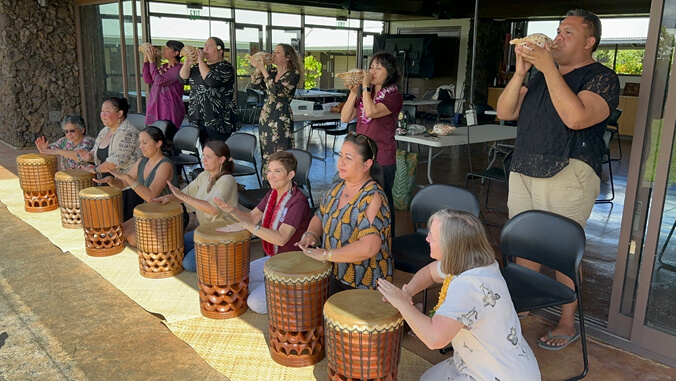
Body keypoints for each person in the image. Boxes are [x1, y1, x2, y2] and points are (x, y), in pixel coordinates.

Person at [496, 9, 620, 350]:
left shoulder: (602, 78)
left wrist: (548, 67)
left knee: (561, 251)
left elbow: (576, 118)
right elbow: (506, 112)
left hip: (570, 172)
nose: (558, 36)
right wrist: (521, 72)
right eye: (557, 30)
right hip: (524, 169)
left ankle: (567, 320)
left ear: (589, 42)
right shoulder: (538, 76)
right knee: (524, 247)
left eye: (568, 32)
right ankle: (522, 306)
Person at [377, 209, 540, 381]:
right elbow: (430, 272)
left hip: (497, 373)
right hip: (482, 362)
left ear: (450, 244)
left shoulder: (468, 286)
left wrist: (402, 303)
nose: (427, 238)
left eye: (432, 235)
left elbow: (434, 339)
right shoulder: (474, 261)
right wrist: (408, 291)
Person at [214, 151, 311, 314]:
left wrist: (248, 227)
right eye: (269, 170)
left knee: (255, 303)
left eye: (277, 171)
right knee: (237, 281)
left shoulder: (297, 202)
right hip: (273, 258)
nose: (271, 176)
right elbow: (251, 218)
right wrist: (231, 210)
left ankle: (297, 291)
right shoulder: (273, 193)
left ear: (291, 174)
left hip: (292, 264)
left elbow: (281, 239)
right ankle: (275, 287)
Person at [296, 132, 392, 295]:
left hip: (364, 283)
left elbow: (369, 247)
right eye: (340, 156)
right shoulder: (336, 189)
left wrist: (327, 254)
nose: (341, 162)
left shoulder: (372, 197)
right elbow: (320, 216)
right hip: (335, 273)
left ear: (366, 164)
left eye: (348, 158)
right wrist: (311, 234)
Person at [340, 52, 402, 236]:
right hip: (362, 155)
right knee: (363, 197)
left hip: (382, 157)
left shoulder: (394, 96)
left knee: (382, 200)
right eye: (371, 66)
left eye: (378, 67)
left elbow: (372, 111)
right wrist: (353, 92)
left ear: (389, 72)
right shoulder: (367, 94)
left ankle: (386, 240)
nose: (372, 71)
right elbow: (345, 117)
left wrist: (365, 87)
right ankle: (364, 236)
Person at [151, 140, 238, 272]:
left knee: (188, 264)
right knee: (172, 246)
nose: (204, 160)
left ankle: (224, 254)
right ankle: (206, 252)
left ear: (222, 159)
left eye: (209, 157)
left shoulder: (227, 180)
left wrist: (183, 197)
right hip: (204, 231)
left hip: (221, 234)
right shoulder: (204, 176)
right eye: (204, 156)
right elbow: (184, 196)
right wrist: (169, 198)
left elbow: (212, 209)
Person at [94, 126, 179, 246]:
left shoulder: (165, 165)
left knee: (133, 239)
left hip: (167, 214)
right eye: (140, 142)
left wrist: (128, 178)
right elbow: (122, 184)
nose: (141, 147)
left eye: (145, 143)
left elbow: (150, 196)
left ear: (158, 143)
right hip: (148, 212)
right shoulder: (142, 161)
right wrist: (111, 181)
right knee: (119, 232)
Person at [77, 97, 143, 221]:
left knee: (123, 225)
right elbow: (97, 151)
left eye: (107, 111)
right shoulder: (106, 130)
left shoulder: (127, 132)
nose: (103, 114)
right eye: (102, 111)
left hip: (127, 187)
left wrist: (94, 170)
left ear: (120, 113)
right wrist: (89, 156)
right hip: (109, 183)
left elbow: (114, 164)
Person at [248, 44, 303, 168]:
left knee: (281, 150)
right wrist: (258, 68)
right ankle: (267, 183)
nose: (274, 55)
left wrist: (263, 70)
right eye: (274, 52)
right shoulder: (272, 72)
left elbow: (277, 91)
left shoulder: (293, 74)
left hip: (281, 116)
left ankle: (283, 182)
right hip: (267, 115)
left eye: (278, 52)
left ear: (287, 57)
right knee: (266, 152)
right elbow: (255, 85)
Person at [180, 37, 238, 144]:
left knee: (217, 150)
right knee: (206, 150)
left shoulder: (225, 66)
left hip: (218, 117)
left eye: (209, 46)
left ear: (220, 51)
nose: (205, 49)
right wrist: (187, 63)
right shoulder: (198, 66)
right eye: (205, 45)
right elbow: (183, 78)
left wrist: (201, 61)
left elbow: (211, 81)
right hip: (199, 114)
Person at [142, 40, 186, 128]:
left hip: (169, 108)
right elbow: (148, 79)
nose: (164, 50)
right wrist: (146, 61)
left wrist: (152, 61)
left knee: (167, 134)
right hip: (156, 106)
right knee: (153, 135)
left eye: (167, 48)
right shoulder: (164, 66)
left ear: (176, 53)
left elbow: (159, 81)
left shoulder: (179, 68)